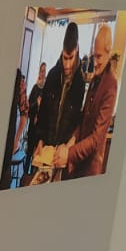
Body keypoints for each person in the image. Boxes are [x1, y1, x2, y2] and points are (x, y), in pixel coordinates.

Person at [58, 23, 117, 177]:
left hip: (90, 169)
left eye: (99, 56)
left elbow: (96, 139)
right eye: (94, 55)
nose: (95, 62)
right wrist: (70, 141)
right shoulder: (94, 79)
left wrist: (69, 153)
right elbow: (83, 119)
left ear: (108, 53)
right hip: (78, 163)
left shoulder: (111, 84)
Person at [33, 21, 86, 175]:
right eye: (65, 58)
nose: (67, 64)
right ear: (61, 52)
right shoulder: (52, 75)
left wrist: (67, 148)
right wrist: (40, 140)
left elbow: (76, 122)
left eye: (71, 58)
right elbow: (43, 113)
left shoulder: (80, 83)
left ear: (76, 51)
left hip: (62, 154)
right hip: (46, 150)